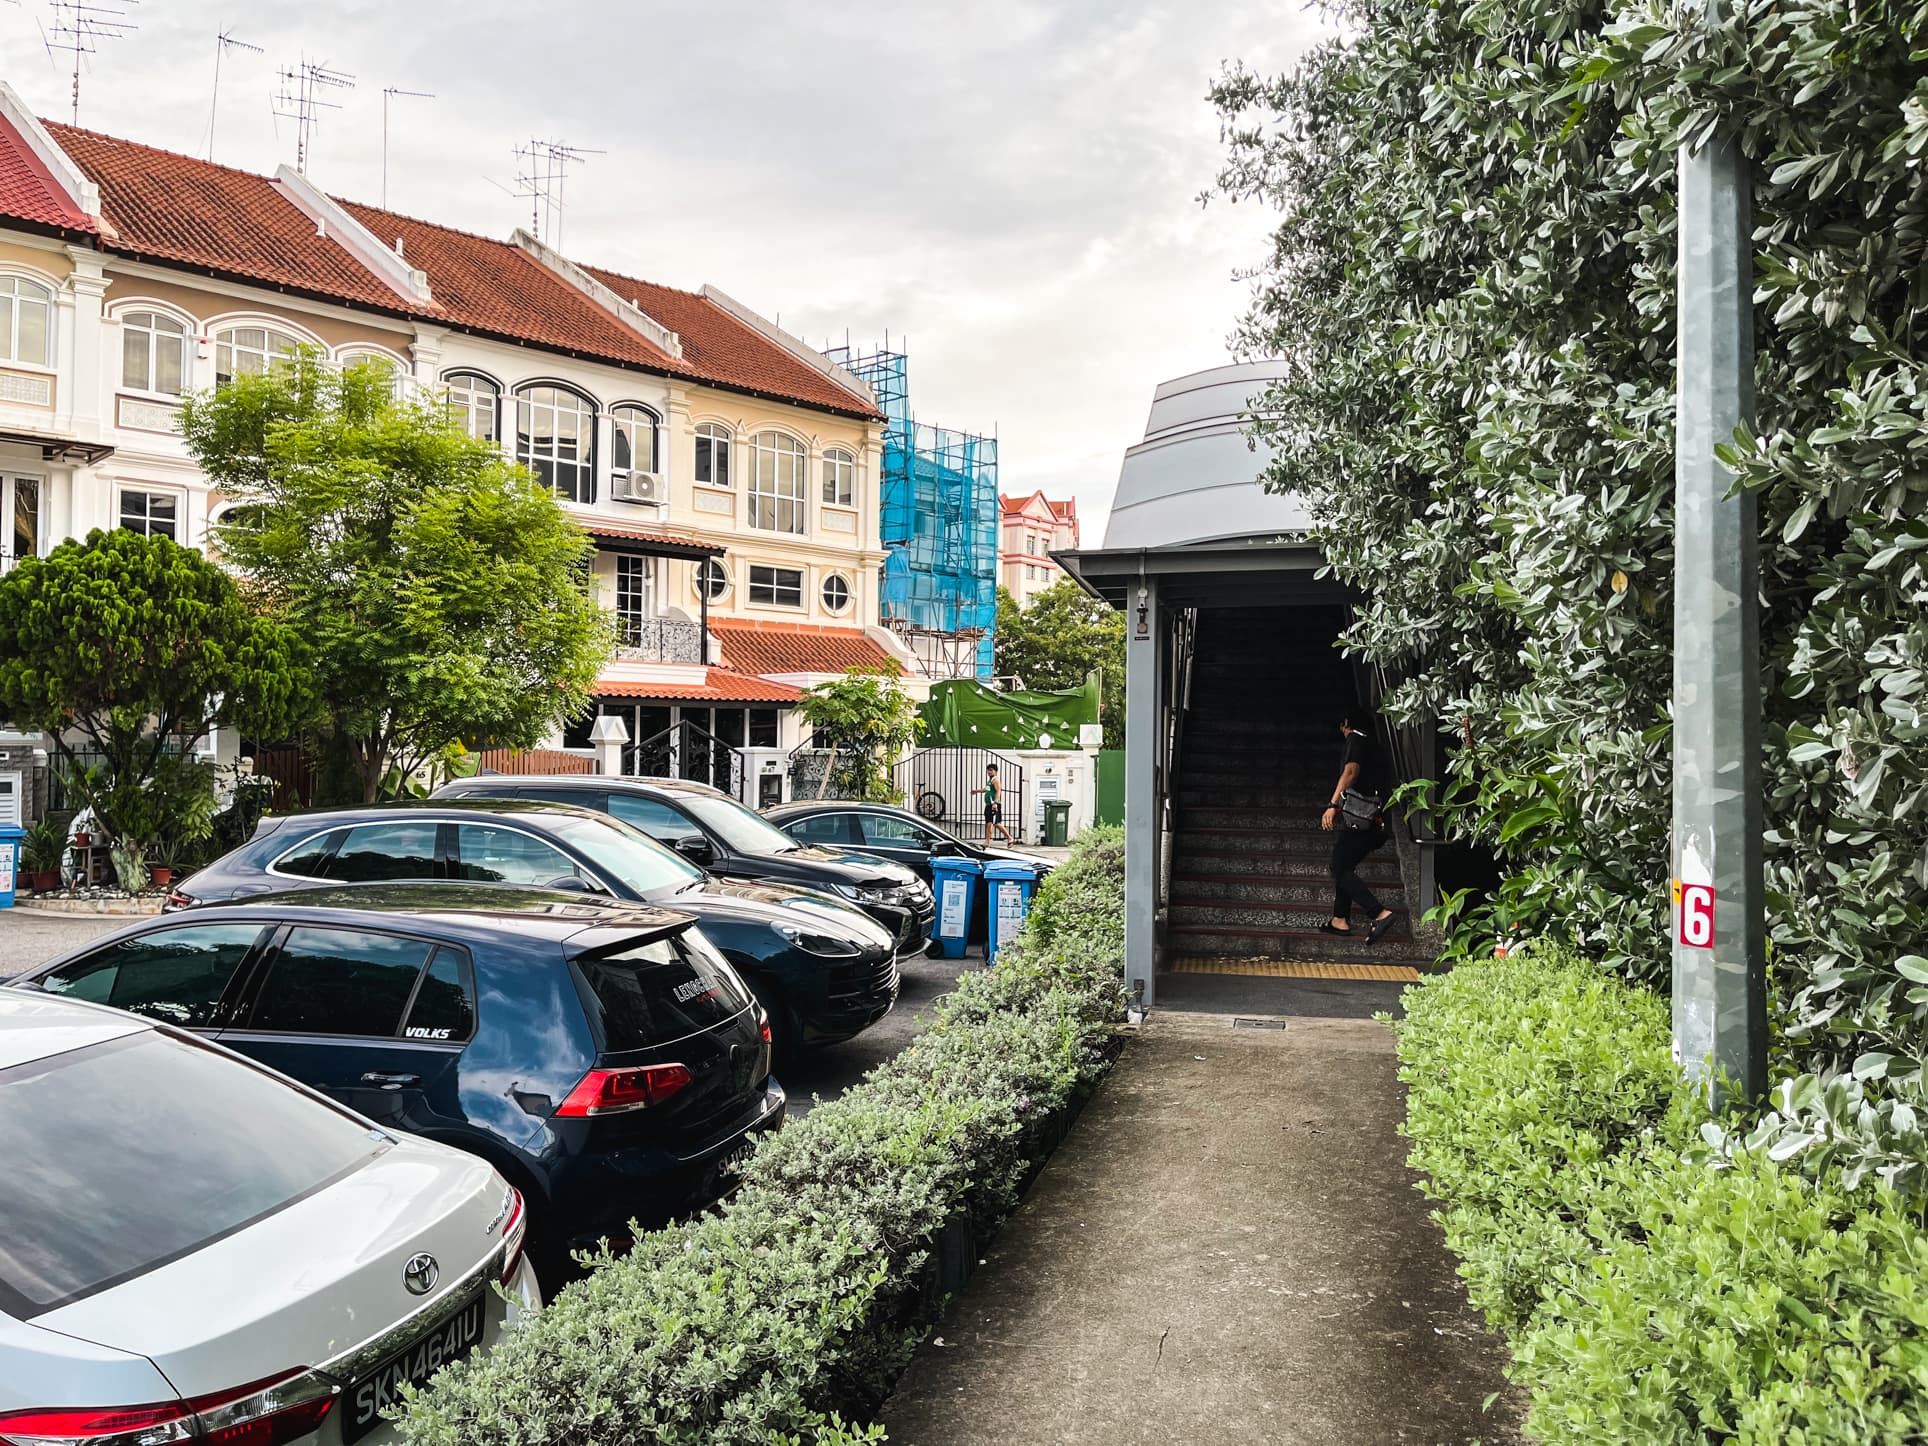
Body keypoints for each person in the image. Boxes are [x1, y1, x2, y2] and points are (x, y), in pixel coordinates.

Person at [1320, 710, 1397, 942]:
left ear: (1346, 723)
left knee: (1338, 867)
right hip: (1376, 821)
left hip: (1361, 821)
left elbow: (1351, 771)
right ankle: (1340, 919)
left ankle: (1379, 913)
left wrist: (1333, 804)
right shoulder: (1376, 745)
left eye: (1341, 727)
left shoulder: (1356, 739)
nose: (1342, 732)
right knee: (1344, 865)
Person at [974, 762, 1015, 844]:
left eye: (991, 770)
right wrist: (976, 791)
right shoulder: (990, 780)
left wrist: (995, 803)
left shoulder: (996, 780)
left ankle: (1009, 837)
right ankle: (987, 842)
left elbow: (998, 791)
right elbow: (986, 789)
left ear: (995, 771)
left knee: (996, 823)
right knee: (989, 823)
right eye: (988, 770)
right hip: (989, 805)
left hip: (994, 805)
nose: (989, 772)